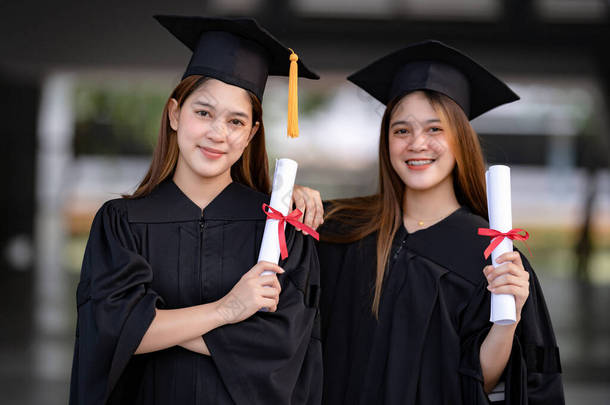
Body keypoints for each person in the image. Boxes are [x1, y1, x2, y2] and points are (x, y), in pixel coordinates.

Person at [69, 15, 323, 405]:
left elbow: (280, 344)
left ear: (252, 133)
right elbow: (107, 329)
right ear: (174, 114)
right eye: (203, 112)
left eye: (236, 121)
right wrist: (228, 310)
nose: (217, 134)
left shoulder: (278, 226)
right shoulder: (122, 222)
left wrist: (148, 326)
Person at [302, 40, 564, 404]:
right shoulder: (339, 229)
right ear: (386, 141)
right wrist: (293, 203)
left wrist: (508, 321)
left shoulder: (488, 255)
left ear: (460, 140)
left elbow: (482, 386)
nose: (417, 144)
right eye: (401, 130)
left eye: (435, 129)